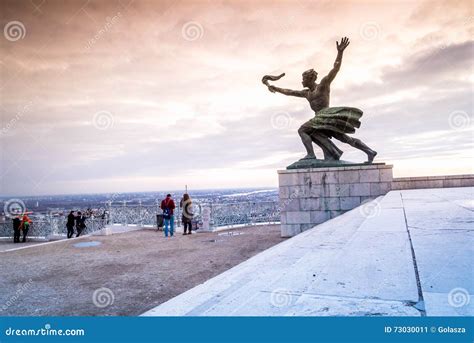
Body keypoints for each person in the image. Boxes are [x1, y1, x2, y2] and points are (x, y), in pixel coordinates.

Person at [266, 37, 377, 163]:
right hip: (320, 118)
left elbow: (334, 70)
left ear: (310, 79)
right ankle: (370, 152)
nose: (302, 81)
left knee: (303, 130)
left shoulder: (323, 85)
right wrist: (275, 87)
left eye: (304, 79)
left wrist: (340, 52)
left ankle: (311, 155)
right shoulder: (306, 93)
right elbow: (290, 92)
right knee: (344, 138)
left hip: (326, 115)